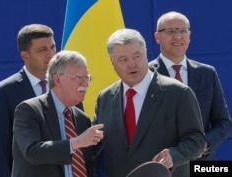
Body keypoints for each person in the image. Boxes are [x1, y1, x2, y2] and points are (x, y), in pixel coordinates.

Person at [92, 28, 206, 177]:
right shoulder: (105, 97)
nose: (132, 64)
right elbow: (95, 143)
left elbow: (197, 140)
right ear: (112, 63)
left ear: (146, 54)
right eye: (123, 60)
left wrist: (174, 155)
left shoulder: (178, 93)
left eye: (137, 56)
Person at [149, 11, 232, 160]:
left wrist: (203, 145)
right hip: (161, 163)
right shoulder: (146, 75)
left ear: (189, 36)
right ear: (157, 37)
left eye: (182, 30)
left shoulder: (207, 73)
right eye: (170, 31)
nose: (178, 36)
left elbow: (223, 122)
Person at [11, 50, 104, 177]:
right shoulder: (29, 110)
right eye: (78, 77)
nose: (85, 83)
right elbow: (33, 152)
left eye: (87, 77)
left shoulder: (82, 118)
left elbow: (87, 164)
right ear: (57, 79)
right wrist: (76, 142)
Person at [0, 24, 56, 177]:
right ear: (25, 56)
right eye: (43, 50)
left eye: (53, 47)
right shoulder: (4, 92)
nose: (51, 55)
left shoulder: (66, 86)